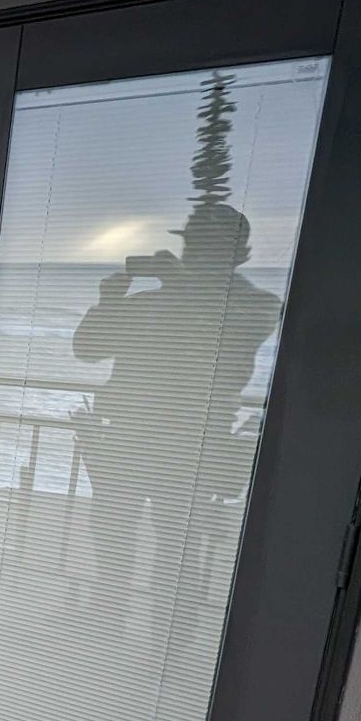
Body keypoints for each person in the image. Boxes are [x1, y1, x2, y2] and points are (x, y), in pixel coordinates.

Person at [71, 202, 281, 591]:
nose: (192, 254)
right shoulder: (152, 304)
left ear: (236, 256)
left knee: (177, 550)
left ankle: (168, 637)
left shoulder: (254, 305)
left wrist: (182, 282)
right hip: (129, 440)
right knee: (112, 533)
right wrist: (110, 299)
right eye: (191, 245)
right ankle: (106, 615)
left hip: (192, 448)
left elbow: (243, 329)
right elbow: (87, 348)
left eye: (203, 247)